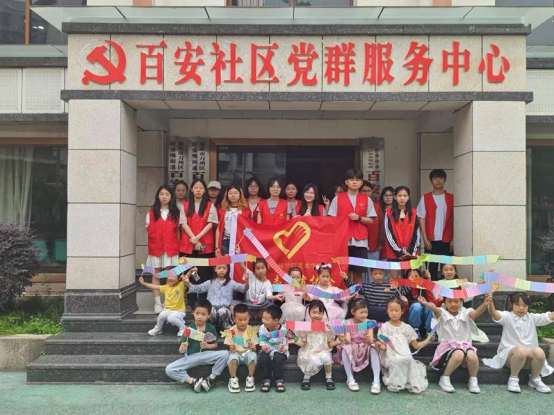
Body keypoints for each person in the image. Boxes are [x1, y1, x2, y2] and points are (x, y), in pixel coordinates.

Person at [419, 292, 492, 394]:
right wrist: (426, 303)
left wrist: (484, 303)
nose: (453, 304)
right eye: (449, 301)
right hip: (447, 348)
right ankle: (445, 377)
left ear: (461, 301)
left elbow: (476, 313)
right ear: (444, 302)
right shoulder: (442, 313)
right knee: (459, 354)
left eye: (456, 301)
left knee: (472, 356)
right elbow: (435, 309)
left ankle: (473, 379)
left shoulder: (466, 313)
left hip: (465, 346)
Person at [483, 292, 554, 393]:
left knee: (539, 352)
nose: (521, 308)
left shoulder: (532, 318)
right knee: (520, 350)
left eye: (524, 305)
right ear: (511, 304)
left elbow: (550, 316)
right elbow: (494, 313)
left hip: (528, 359)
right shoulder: (507, 316)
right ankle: (513, 378)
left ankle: (535, 379)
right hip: (509, 357)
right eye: (517, 304)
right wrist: (490, 302)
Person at [165, 299, 229, 393]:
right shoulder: (188, 329)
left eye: (203, 314)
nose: (200, 317)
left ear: (208, 315)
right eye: (197, 313)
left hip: (207, 355)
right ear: (193, 313)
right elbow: (181, 350)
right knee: (169, 369)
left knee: (225, 354)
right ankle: (192, 381)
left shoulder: (210, 328)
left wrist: (207, 346)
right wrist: (183, 348)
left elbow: (215, 345)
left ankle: (211, 379)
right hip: (191, 356)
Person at [328, 169, 377, 284]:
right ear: (346, 182)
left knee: (358, 272)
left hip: (360, 241)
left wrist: (359, 217)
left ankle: (357, 294)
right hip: (342, 241)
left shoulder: (366, 199)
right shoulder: (338, 198)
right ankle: (344, 294)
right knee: (343, 271)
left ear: (361, 182)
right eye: (351, 179)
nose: (354, 182)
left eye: (358, 180)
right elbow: (331, 220)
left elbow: (371, 220)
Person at [377, 298, 430, 394]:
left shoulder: (407, 328)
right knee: (396, 360)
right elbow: (384, 347)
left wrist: (427, 340)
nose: (393, 313)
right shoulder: (384, 327)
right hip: (390, 355)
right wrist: (378, 345)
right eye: (391, 310)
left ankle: (407, 381)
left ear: (402, 311)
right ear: (387, 311)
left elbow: (416, 346)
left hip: (405, 354)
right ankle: (396, 383)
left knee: (408, 359)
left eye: (396, 310)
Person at [145, 184, 184, 314]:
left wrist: (178, 248)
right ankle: (157, 303)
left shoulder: (176, 213)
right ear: (158, 196)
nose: (164, 197)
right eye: (161, 194)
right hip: (155, 248)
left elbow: (178, 232)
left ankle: (168, 302)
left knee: (169, 275)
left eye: (167, 194)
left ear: (171, 197)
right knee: (156, 274)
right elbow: (148, 229)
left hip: (171, 248)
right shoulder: (151, 213)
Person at [181, 179, 219, 303]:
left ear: (204, 191)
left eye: (201, 188)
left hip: (205, 245)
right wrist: (195, 240)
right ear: (191, 189)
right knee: (190, 273)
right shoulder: (185, 205)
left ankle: (203, 302)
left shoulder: (209, 205)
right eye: (196, 187)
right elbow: (183, 223)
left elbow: (211, 223)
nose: (198, 190)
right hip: (188, 245)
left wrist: (197, 238)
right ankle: (191, 301)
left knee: (204, 274)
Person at [334, 298, 381, 394]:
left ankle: (376, 381)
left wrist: (369, 339)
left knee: (373, 347)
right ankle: (350, 379)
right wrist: (343, 337)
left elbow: (370, 340)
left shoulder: (369, 322)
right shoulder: (347, 322)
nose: (364, 315)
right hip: (352, 345)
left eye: (366, 312)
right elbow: (348, 341)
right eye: (361, 312)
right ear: (353, 312)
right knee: (345, 347)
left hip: (364, 346)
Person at [293, 301, 343, 391]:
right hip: (309, 351)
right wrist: (294, 340)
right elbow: (303, 343)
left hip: (323, 350)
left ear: (323, 314)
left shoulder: (327, 327)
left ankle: (328, 377)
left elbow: (329, 344)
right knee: (313, 359)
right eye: (314, 312)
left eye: (320, 313)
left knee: (327, 358)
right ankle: (306, 378)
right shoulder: (306, 327)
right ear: (309, 313)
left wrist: (337, 342)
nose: (317, 315)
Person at [182, 264, 247, 331]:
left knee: (222, 311)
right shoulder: (210, 282)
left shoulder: (231, 283)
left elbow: (243, 289)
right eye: (219, 268)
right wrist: (188, 282)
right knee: (211, 311)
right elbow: (198, 289)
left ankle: (225, 331)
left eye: (224, 268)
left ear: (227, 269)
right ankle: (211, 330)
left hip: (225, 309)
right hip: (212, 308)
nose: (221, 270)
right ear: (215, 269)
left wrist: (247, 280)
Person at [417, 170, 454, 281]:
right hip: (431, 239)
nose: (438, 181)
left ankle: (445, 291)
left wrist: (454, 239)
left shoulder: (451, 198)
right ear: (430, 181)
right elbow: (422, 218)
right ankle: (431, 291)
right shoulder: (425, 197)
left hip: (447, 239)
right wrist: (424, 238)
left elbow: (455, 219)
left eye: (441, 178)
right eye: (435, 178)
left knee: (447, 269)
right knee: (431, 269)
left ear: (445, 180)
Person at [342, 268, 409, 323]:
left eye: (380, 274)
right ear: (371, 274)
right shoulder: (366, 286)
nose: (378, 276)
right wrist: (346, 279)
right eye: (375, 274)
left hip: (386, 313)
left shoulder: (391, 286)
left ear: (383, 274)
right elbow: (354, 287)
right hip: (370, 313)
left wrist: (411, 281)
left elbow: (403, 291)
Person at [139, 268, 191, 337]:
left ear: (179, 278)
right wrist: (143, 283)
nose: (170, 278)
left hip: (179, 311)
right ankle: (158, 329)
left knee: (171, 318)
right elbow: (154, 286)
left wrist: (191, 271)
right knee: (161, 315)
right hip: (168, 310)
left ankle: (183, 328)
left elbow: (186, 277)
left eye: (173, 276)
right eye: (169, 276)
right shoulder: (166, 287)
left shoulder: (181, 285)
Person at [383, 186, 420, 280]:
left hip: (411, 251)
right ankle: (393, 291)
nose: (402, 198)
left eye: (405, 196)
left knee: (412, 277)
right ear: (395, 197)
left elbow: (416, 233)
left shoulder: (414, 212)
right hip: (394, 252)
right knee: (393, 278)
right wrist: (398, 252)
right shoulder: (389, 213)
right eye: (400, 196)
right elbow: (388, 233)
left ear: (408, 197)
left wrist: (410, 250)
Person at [225, 303, 258, 393]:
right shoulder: (230, 331)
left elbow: (255, 349)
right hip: (236, 353)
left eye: (245, 319)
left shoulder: (251, 330)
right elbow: (230, 348)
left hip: (247, 352)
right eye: (240, 320)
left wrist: (252, 347)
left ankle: (250, 378)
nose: (243, 322)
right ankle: (233, 379)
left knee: (253, 356)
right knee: (232, 358)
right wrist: (231, 349)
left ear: (249, 318)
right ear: (234, 319)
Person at [258, 305, 289, 392]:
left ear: (275, 320)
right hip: (267, 350)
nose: (263, 321)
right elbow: (261, 342)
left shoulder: (284, 330)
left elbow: (286, 347)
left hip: (279, 351)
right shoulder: (262, 328)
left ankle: (278, 380)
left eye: (266, 319)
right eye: (263, 318)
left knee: (278, 357)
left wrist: (281, 349)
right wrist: (264, 347)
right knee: (263, 357)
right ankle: (266, 379)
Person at [406, 268, 441, 340]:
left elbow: (432, 302)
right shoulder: (405, 288)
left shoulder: (424, 287)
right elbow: (403, 309)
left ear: (420, 277)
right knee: (417, 305)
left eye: (416, 276)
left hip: (425, 315)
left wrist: (439, 300)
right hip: (412, 317)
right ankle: (415, 330)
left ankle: (429, 331)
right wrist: (406, 303)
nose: (414, 278)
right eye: (411, 276)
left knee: (429, 304)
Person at [215, 185, 250, 257]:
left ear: (240, 195)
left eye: (235, 193)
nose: (233, 195)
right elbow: (219, 229)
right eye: (230, 193)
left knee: (238, 262)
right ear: (227, 195)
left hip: (239, 242)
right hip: (225, 240)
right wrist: (216, 247)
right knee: (225, 263)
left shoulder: (245, 211)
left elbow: (249, 229)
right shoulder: (223, 210)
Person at [361, 180, 381, 263]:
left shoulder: (377, 207)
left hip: (374, 244)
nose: (366, 193)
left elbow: (382, 226)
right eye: (363, 191)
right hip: (360, 244)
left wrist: (380, 243)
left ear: (372, 192)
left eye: (368, 191)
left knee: (374, 268)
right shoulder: (356, 206)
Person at [377, 186, 394, 258]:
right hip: (380, 242)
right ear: (382, 197)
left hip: (394, 242)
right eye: (386, 195)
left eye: (390, 195)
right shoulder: (378, 210)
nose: (388, 198)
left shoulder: (398, 211)